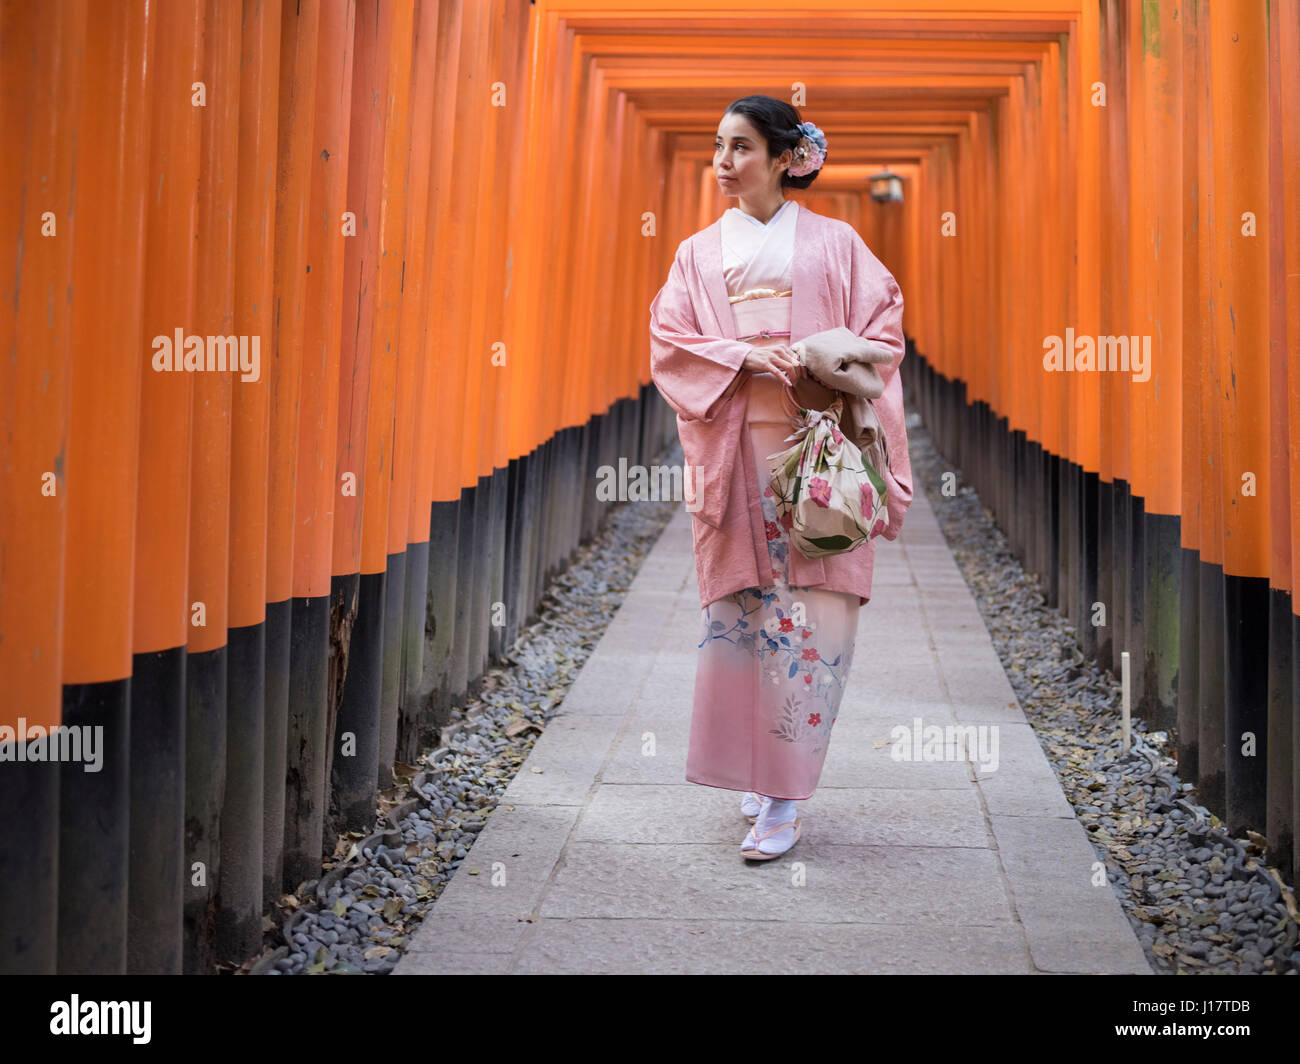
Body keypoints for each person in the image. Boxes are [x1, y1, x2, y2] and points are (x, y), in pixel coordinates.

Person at [648, 95, 914, 861]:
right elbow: (669, 340)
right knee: (745, 611)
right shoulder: (698, 253)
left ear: (784, 158)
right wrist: (739, 355)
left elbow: (884, 333)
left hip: (819, 445)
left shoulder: (837, 243)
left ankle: (785, 795)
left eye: (739, 148)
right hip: (734, 447)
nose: (723, 163)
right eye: (719, 147)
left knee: (809, 617)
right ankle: (757, 772)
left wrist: (815, 350)